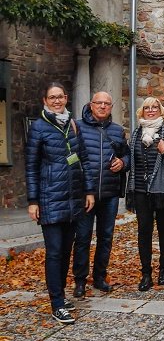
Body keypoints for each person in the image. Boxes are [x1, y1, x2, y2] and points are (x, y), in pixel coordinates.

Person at [26, 82, 95, 324]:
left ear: (66, 98)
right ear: (45, 101)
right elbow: (31, 167)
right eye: (52, 97)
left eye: (60, 97)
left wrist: (88, 191)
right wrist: (33, 200)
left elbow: (83, 159)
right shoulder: (38, 128)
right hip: (50, 198)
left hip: (73, 198)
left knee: (66, 251)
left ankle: (60, 295)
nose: (57, 101)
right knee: (54, 252)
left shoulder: (72, 125)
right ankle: (56, 304)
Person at [72, 91, 129, 298]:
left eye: (107, 103)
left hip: (110, 193)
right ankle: (80, 280)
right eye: (99, 103)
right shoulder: (77, 127)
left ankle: (99, 277)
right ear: (91, 105)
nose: (103, 106)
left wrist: (123, 163)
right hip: (85, 194)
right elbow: (71, 156)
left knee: (106, 237)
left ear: (111, 107)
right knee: (83, 237)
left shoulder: (117, 130)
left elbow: (127, 155)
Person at [127, 97, 164, 291]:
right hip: (141, 190)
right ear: (142, 111)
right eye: (147, 107)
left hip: (163, 190)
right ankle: (146, 273)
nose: (151, 110)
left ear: (161, 111)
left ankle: (163, 270)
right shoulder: (136, 134)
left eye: (154, 107)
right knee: (144, 231)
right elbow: (131, 162)